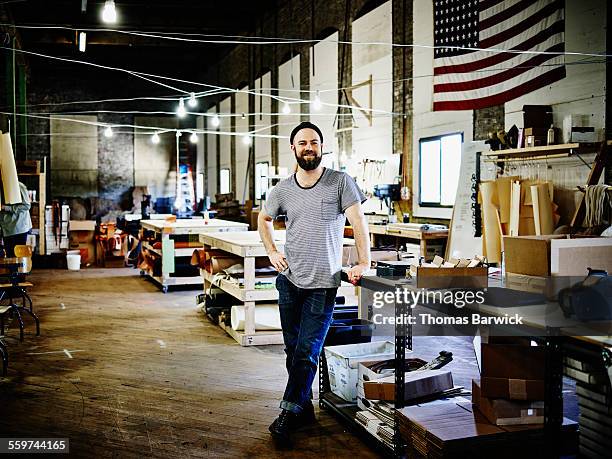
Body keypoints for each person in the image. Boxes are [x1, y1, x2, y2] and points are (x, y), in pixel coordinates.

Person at [258, 121, 371, 447]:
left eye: (314, 142)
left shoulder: (340, 182)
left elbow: (358, 221)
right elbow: (263, 219)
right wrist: (271, 251)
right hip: (289, 281)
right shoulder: (282, 190)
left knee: (308, 351)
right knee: (293, 349)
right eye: (302, 143)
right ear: (293, 149)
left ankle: (288, 412)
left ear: (322, 147)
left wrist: (364, 261)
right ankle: (304, 405)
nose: (309, 147)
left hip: (323, 283)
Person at [0, 181, 32, 257]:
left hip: (18, 227)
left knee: (18, 257)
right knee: (9, 256)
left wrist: (6, 208)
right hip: (6, 228)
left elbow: (26, 206)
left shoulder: (19, 186)